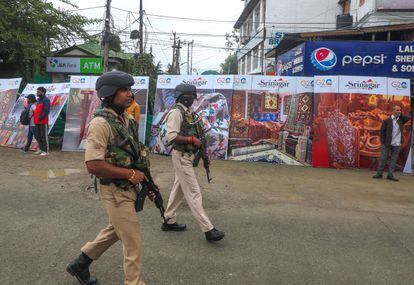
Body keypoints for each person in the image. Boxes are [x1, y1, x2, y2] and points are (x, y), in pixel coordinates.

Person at [66, 71, 153, 285]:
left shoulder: (127, 119)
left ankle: (80, 263)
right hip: (114, 190)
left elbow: (135, 156)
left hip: (128, 188)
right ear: (109, 94)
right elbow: (93, 165)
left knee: (115, 229)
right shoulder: (100, 124)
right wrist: (130, 174)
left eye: (130, 90)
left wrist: (148, 183)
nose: (129, 94)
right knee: (133, 243)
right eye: (124, 90)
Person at [162, 83, 225, 242]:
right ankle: (208, 229)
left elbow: (200, 136)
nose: (194, 100)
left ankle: (169, 219)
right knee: (193, 192)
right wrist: (191, 139)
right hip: (182, 157)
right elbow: (170, 137)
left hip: (188, 157)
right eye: (192, 97)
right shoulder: (176, 113)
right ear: (186, 97)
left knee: (179, 189)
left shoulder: (188, 112)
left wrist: (204, 155)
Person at [373, 105, 410, 181]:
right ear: (393, 111)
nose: (399, 111)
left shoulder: (401, 120)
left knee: (394, 159)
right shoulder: (387, 120)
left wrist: (400, 114)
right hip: (387, 143)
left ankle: (390, 175)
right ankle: (379, 173)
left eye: (399, 110)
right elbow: (382, 131)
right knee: (383, 158)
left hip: (397, 143)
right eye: (397, 110)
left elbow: (408, 118)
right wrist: (383, 141)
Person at [33, 87, 50, 156]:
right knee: (38, 136)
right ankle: (41, 149)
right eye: (37, 91)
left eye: (39, 92)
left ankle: (45, 151)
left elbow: (46, 111)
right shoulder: (38, 100)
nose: (37, 93)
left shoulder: (46, 100)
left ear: (43, 92)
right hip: (37, 121)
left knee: (44, 136)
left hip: (43, 122)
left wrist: (40, 117)